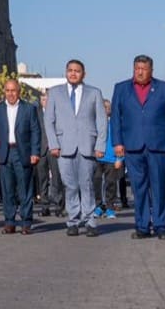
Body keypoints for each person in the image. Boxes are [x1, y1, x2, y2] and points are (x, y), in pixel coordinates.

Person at [111, 54, 165, 239]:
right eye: (137, 68)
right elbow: (116, 120)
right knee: (138, 188)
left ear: (151, 70)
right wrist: (117, 143)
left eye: (143, 68)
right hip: (133, 146)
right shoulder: (121, 89)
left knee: (159, 187)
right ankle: (142, 226)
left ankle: (161, 225)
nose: (140, 72)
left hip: (158, 146)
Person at [43, 59, 106, 237]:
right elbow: (49, 121)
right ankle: (73, 221)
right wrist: (53, 144)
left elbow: (102, 121)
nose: (73, 73)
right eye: (70, 70)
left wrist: (100, 145)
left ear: (83, 74)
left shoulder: (94, 93)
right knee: (69, 185)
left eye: (77, 71)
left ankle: (90, 221)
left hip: (87, 146)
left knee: (86, 184)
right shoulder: (55, 93)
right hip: (64, 147)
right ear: (66, 72)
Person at [0, 79, 40, 234]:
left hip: (22, 152)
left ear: (19, 92)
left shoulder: (29, 108)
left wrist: (35, 152)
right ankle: (9, 222)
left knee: (24, 190)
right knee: (7, 189)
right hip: (4, 153)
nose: (10, 94)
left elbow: (36, 131)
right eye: (7, 91)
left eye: (13, 90)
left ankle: (26, 222)